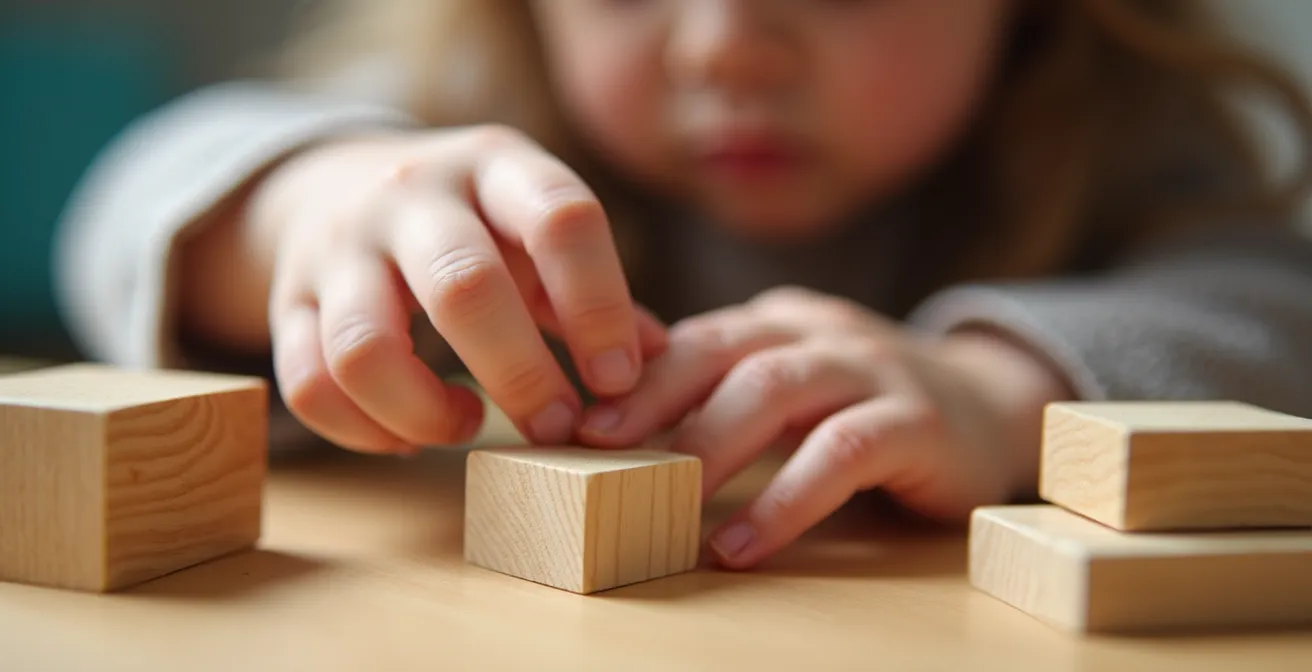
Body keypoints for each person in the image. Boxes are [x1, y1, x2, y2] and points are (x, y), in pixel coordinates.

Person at [53, 0, 1312, 570]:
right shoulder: (479, 105)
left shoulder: (1119, 144)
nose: (723, 45)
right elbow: (125, 201)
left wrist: (999, 386)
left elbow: (1274, 307)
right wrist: (297, 207)